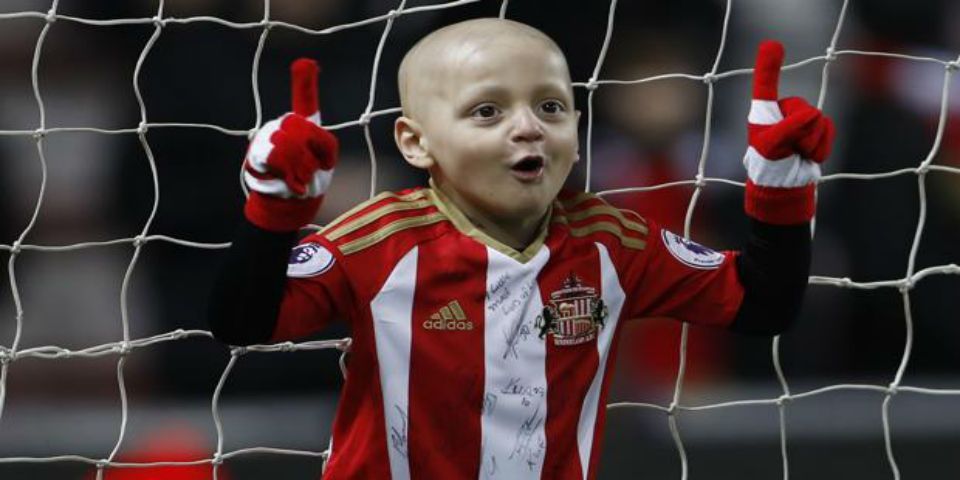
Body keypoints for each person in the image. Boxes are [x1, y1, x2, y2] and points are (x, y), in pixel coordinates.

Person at [208, 18, 833, 479]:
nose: (528, 125)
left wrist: (779, 198)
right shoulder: (381, 239)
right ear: (415, 142)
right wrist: (273, 215)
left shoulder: (612, 240)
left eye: (551, 106)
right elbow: (243, 322)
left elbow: (762, 306)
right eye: (487, 111)